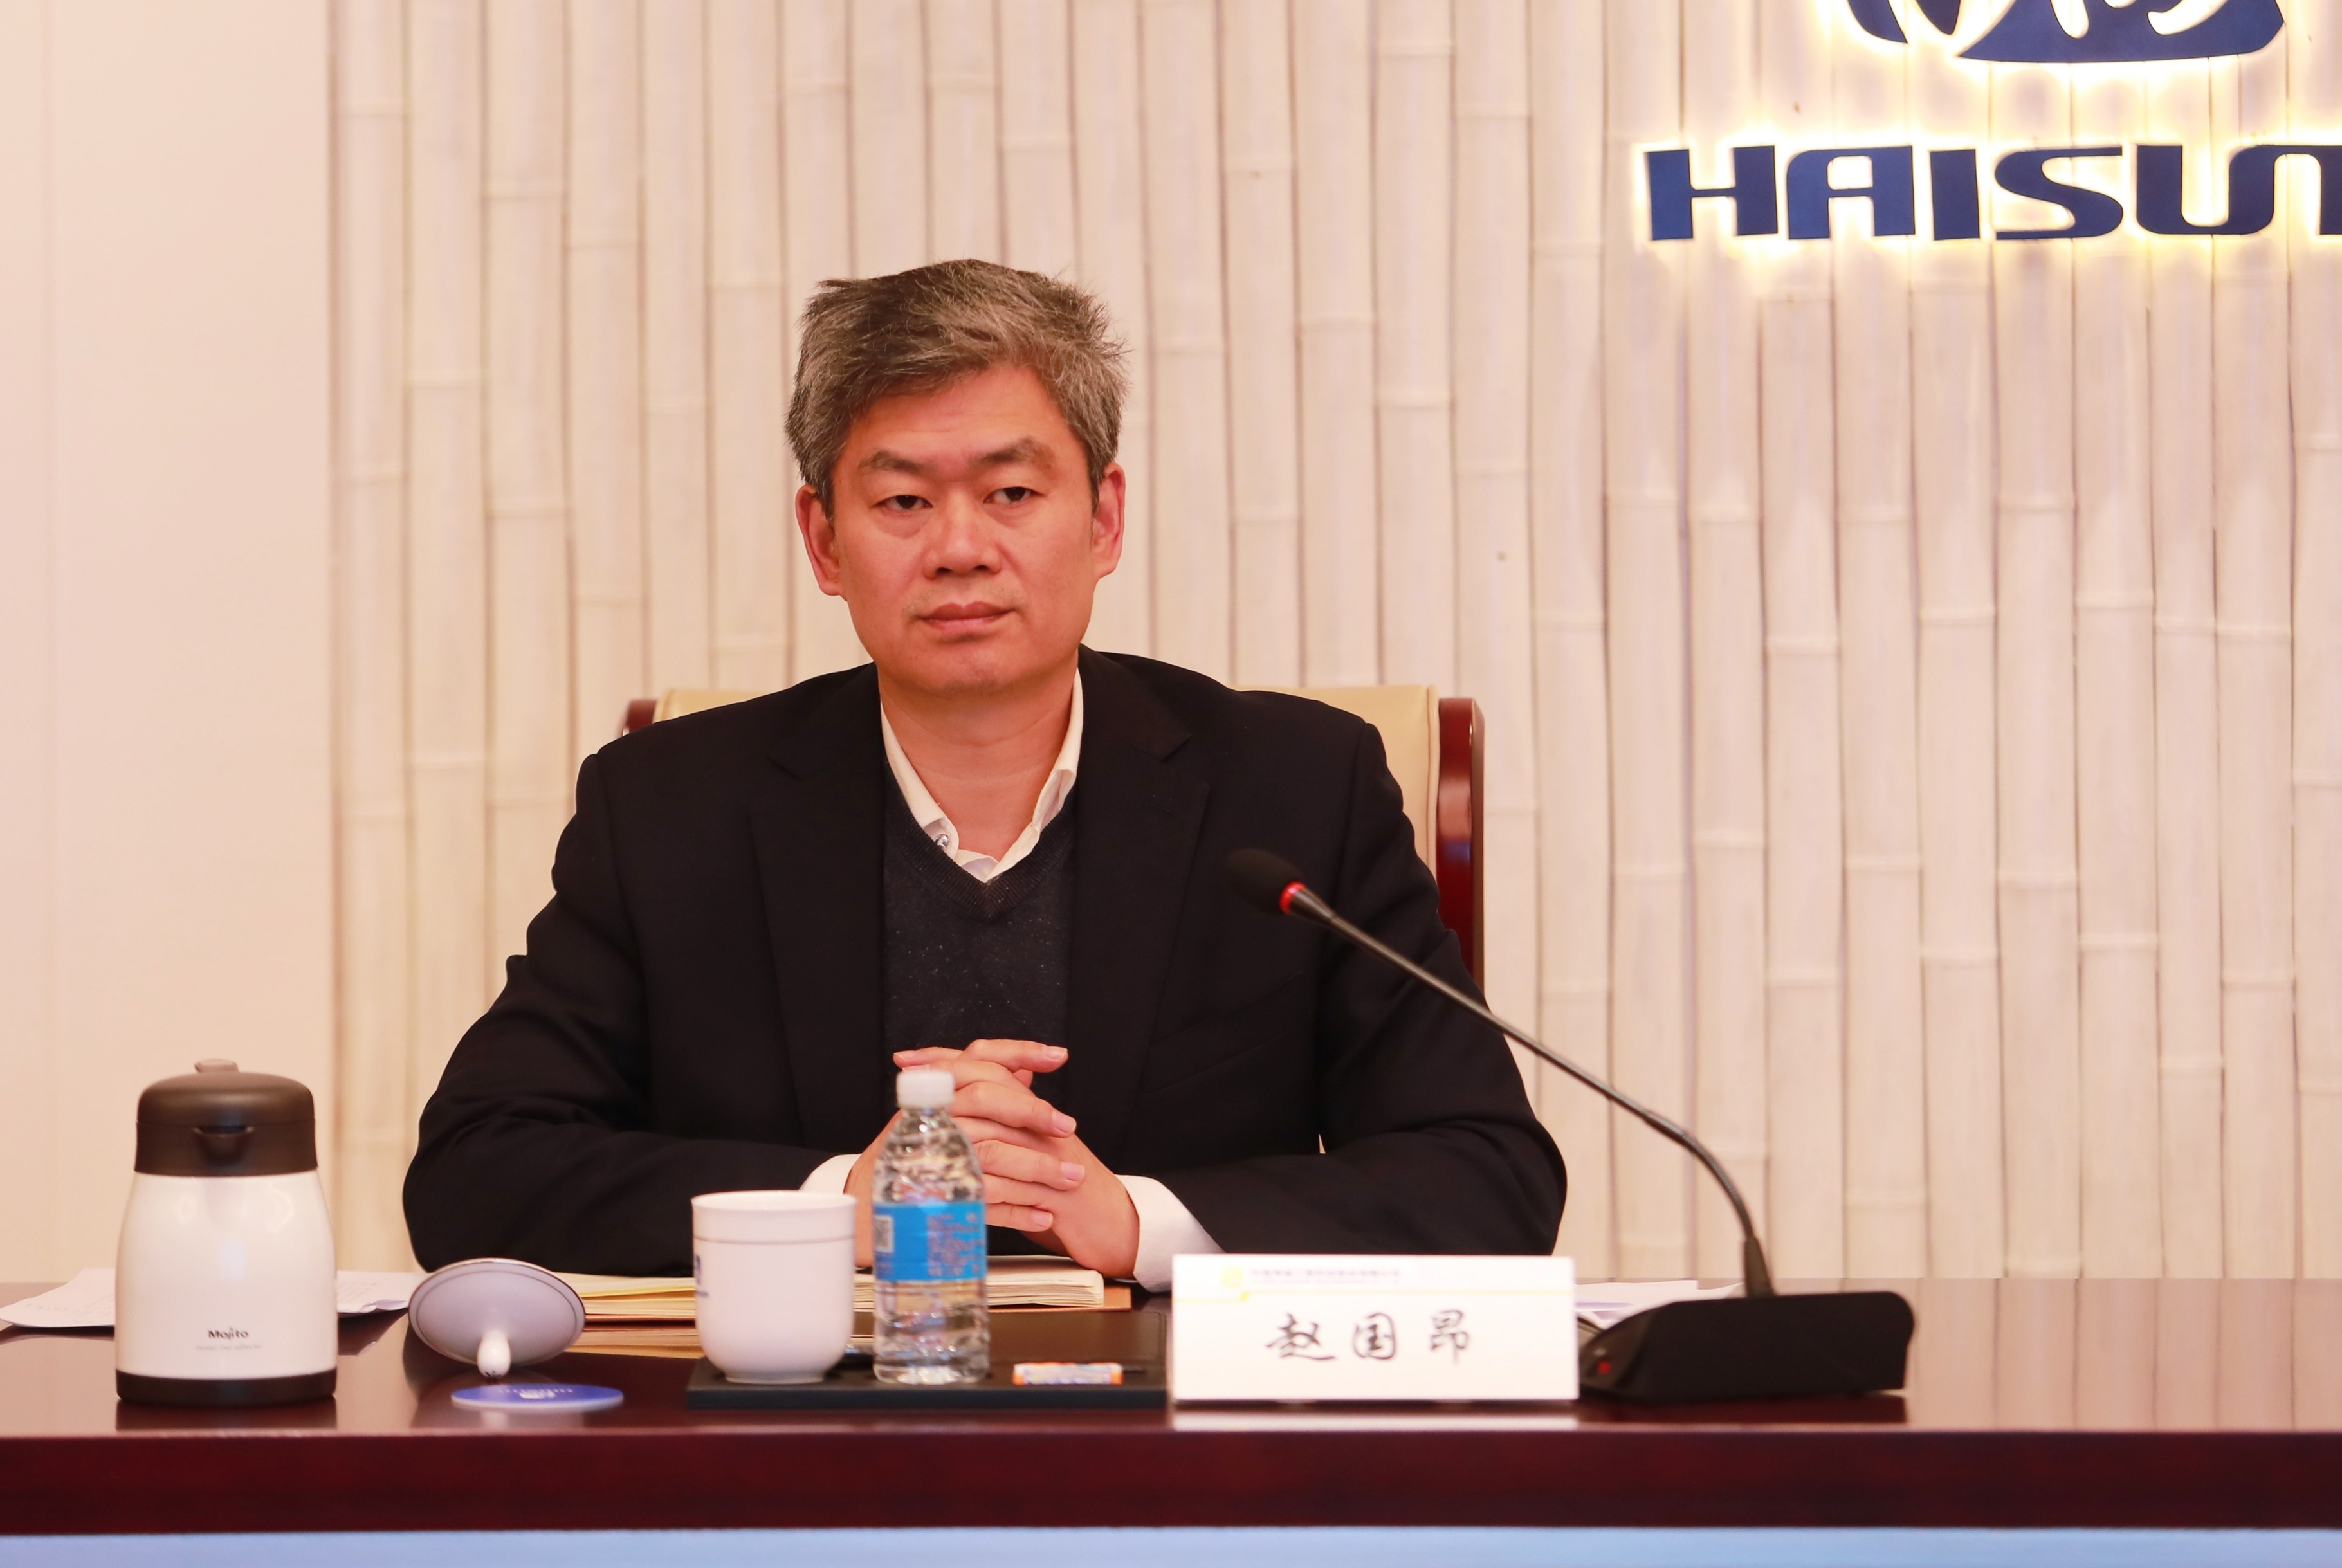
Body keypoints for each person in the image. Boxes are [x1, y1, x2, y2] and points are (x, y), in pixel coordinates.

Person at [403, 260, 1564, 1282]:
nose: (960, 548)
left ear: (1103, 520)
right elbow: (475, 1171)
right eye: (903, 501)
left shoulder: (1295, 790)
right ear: (824, 540)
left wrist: (1133, 1219)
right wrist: (842, 1206)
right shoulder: (670, 809)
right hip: (802, 1424)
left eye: (1012, 493)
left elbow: (1487, 1175)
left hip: (1181, 1429)